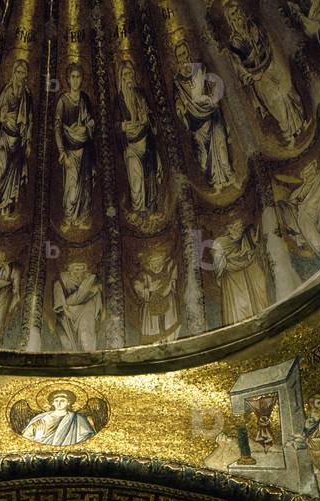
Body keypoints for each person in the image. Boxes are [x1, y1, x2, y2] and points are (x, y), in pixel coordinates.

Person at [224, 1, 307, 144]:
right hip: (258, 77)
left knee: (287, 91)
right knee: (276, 101)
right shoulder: (234, 43)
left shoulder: (253, 26)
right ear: (230, 20)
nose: (237, 16)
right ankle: (289, 136)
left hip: (271, 65)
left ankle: (300, 123)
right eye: (233, 15)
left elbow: (267, 40)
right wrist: (252, 76)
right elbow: (238, 67)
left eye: (237, 11)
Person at [172, 43, 236, 192]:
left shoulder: (200, 69)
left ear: (188, 53)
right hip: (196, 122)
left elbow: (211, 89)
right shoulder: (177, 81)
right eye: (179, 55)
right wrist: (180, 107)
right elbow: (177, 101)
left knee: (221, 147)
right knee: (206, 155)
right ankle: (216, 183)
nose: (183, 58)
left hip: (211, 114)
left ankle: (230, 176)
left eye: (184, 53)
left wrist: (209, 98)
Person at [116, 61, 162, 214]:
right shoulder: (118, 100)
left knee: (150, 176)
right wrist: (123, 126)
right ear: (121, 78)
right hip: (130, 146)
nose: (129, 77)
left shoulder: (140, 94)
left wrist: (146, 118)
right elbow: (114, 125)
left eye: (130, 73)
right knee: (136, 180)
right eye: (125, 75)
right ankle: (139, 210)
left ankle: (151, 209)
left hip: (145, 140)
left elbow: (150, 115)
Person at [0, 60, 34, 214]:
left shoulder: (27, 96)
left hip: (17, 141)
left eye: (23, 73)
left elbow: (29, 121)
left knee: (11, 175)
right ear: (14, 73)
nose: (20, 76)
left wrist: (27, 142)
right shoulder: (7, 90)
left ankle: (5, 208)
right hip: (3, 137)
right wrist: (1, 117)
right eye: (18, 72)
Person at [55, 64, 96, 228]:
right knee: (71, 189)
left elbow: (92, 122)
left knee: (85, 185)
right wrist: (61, 151)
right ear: (68, 79)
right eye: (73, 77)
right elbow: (57, 127)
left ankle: (82, 218)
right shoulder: (63, 101)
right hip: (70, 150)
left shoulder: (85, 98)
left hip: (85, 149)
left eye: (78, 77)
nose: (76, 80)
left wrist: (85, 128)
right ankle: (68, 217)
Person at [212, 218, 270, 324]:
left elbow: (254, 250)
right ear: (230, 228)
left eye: (241, 226)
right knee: (238, 308)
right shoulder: (220, 242)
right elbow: (218, 263)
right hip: (232, 280)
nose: (240, 228)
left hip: (249, 275)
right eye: (238, 226)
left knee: (256, 301)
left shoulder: (246, 238)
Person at [133, 249, 180, 343]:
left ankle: (170, 341)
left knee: (168, 324)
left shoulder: (167, 271)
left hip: (168, 304)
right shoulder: (144, 275)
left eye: (158, 262)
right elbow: (137, 285)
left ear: (162, 262)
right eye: (153, 263)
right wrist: (149, 289)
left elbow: (173, 280)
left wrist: (170, 285)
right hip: (150, 307)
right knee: (153, 327)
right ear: (149, 264)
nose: (156, 265)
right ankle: (155, 343)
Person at [53, 262, 103, 352]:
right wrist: (65, 308)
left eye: (81, 269)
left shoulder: (90, 281)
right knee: (68, 343)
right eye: (76, 269)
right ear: (70, 270)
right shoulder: (61, 281)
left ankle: (88, 352)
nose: (79, 272)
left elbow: (95, 297)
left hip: (87, 312)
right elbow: (60, 301)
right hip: (69, 314)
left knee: (86, 334)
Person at [21, 390, 97, 446]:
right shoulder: (41, 418)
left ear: (68, 403)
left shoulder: (77, 419)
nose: (59, 403)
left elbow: (87, 437)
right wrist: (38, 439)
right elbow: (26, 437)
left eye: (62, 401)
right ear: (52, 403)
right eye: (56, 401)